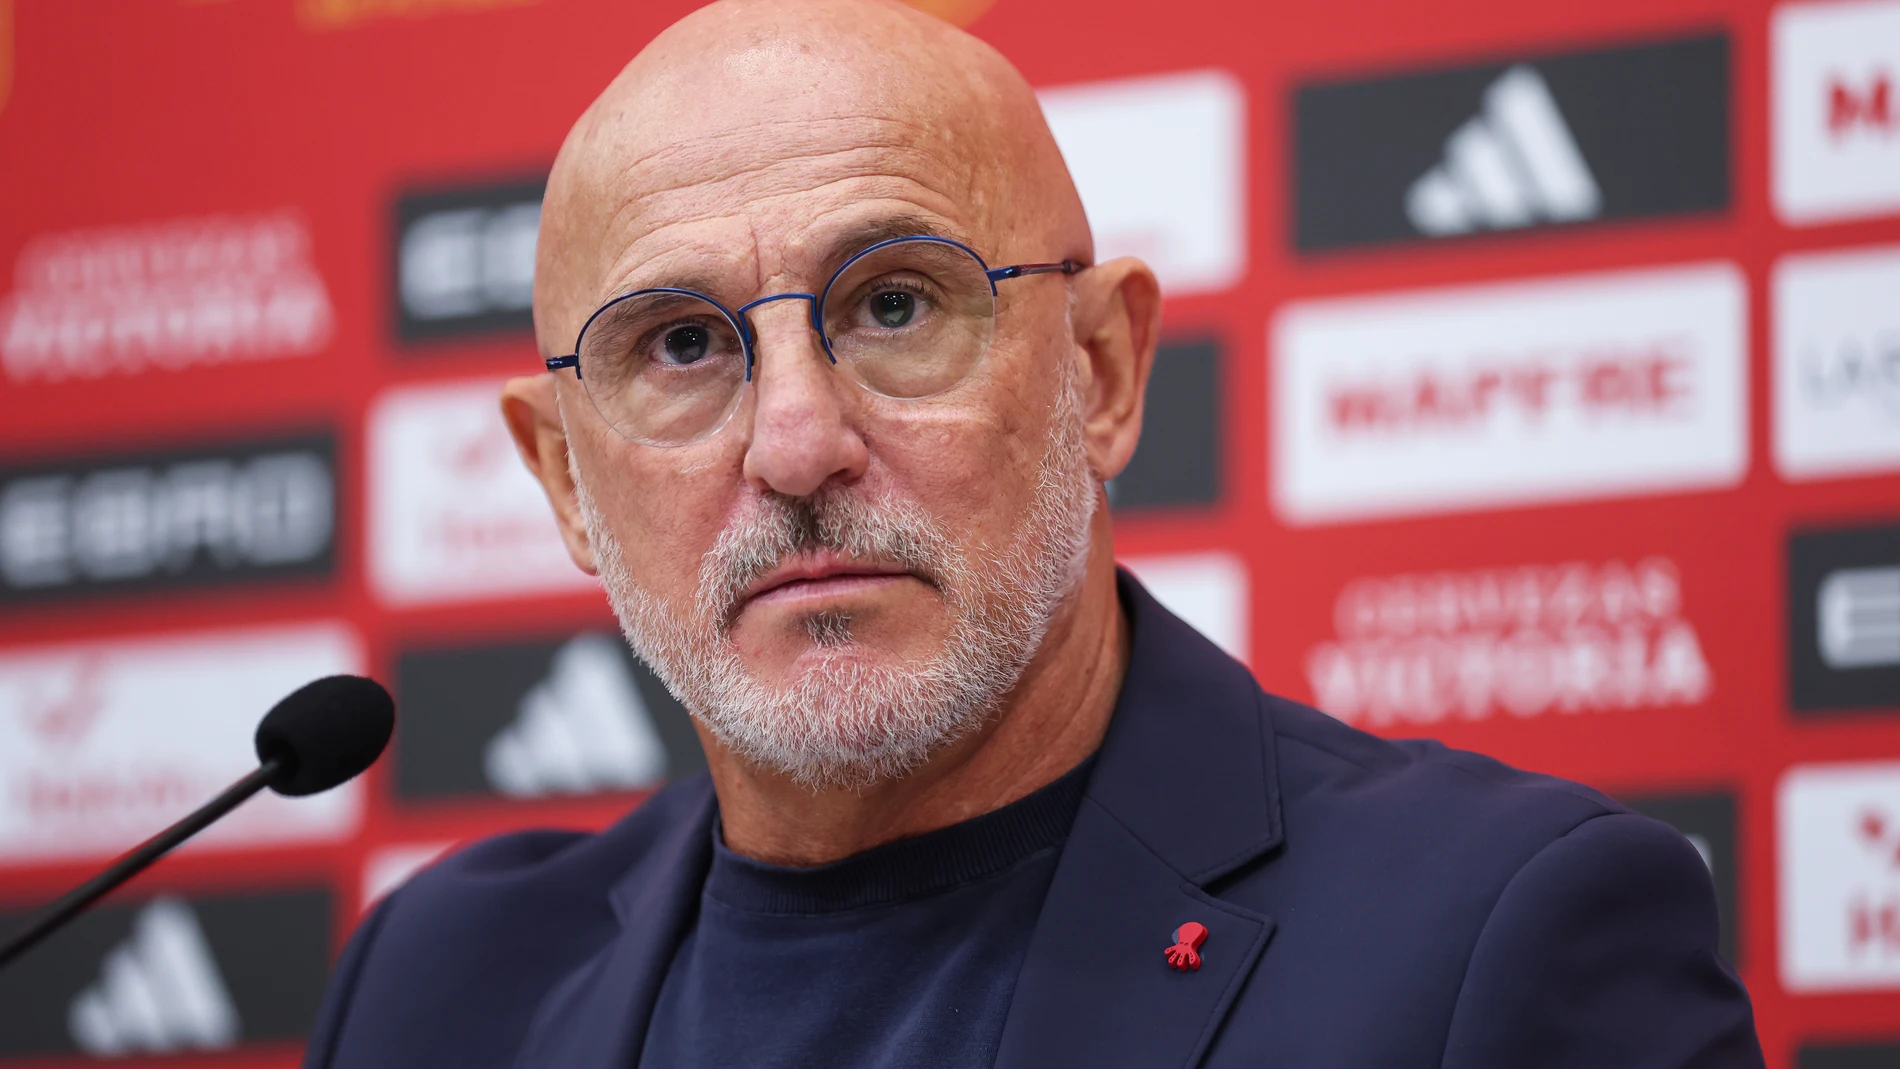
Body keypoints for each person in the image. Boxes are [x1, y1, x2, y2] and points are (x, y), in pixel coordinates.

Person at [303, 1, 1764, 1065]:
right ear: (565, 478)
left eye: (894, 305)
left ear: (1103, 372)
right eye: (682, 347)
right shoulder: (432, 990)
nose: (797, 443)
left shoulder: (1495, 939)